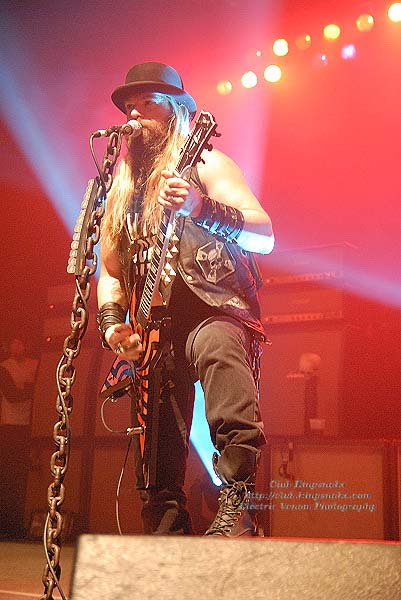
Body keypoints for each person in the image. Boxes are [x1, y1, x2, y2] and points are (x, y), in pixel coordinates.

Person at [97, 62, 274, 536]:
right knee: (155, 436)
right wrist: (114, 323)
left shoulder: (207, 164)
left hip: (214, 308)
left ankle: (237, 507)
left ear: (176, 108)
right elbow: (109, 269)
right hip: (155, 325)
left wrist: (203, 208)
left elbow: (265, 235)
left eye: (146, 104)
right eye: (128, 108)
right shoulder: (121, 191)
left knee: (220, 362)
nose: (134, 115)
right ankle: (165, 531)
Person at [0, 338, 38, 538]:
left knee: (23, 476)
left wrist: (27, 389)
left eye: (20, 342)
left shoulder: (35, 364)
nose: (18, 346)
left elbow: (39, 389)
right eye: (14, 342)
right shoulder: (4, 367)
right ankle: (6, 523)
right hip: (9, 425)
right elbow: (12, 394)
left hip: (30, 426)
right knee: (8, 475)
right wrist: (28, 389)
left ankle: (16, 522)